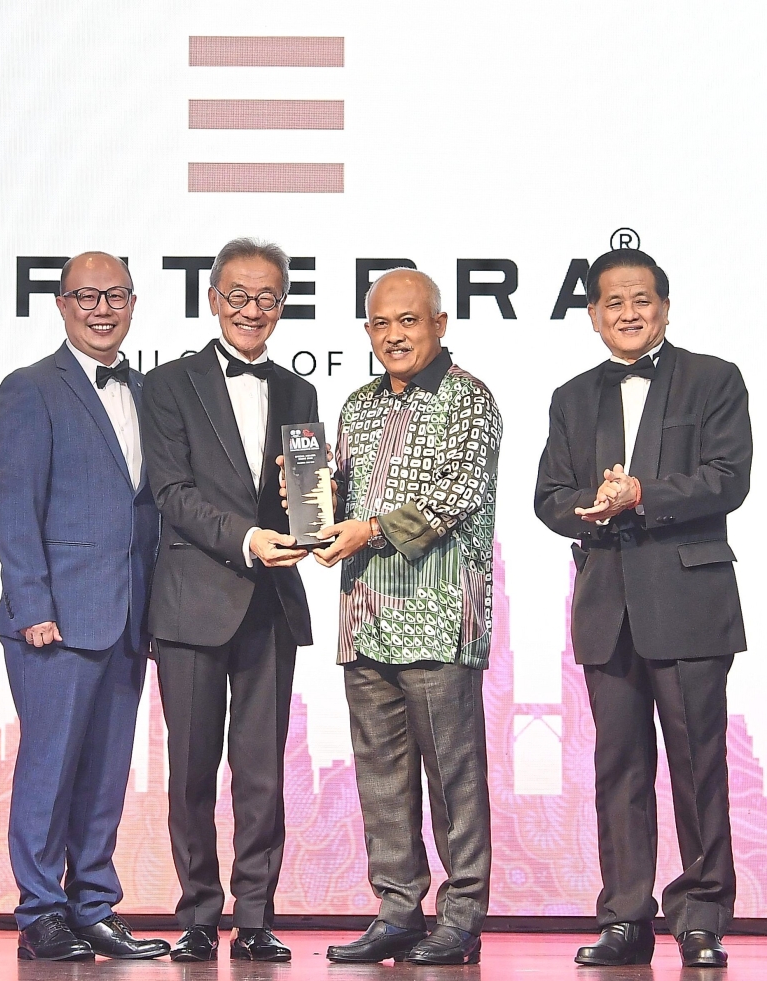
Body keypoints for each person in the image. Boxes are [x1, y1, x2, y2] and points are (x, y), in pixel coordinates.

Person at [535, 249, 751, 969]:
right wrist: (590, 509)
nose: (627, 312)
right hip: (607, 605)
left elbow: (727, 479)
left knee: (698, 764)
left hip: (690, 600)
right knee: (618, 767)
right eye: (612, 302)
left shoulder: (715, 379)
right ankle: (625, 915)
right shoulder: (570, 396)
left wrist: (642, 493)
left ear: (664, 305)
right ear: (593, 315)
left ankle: (701, 915)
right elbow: (549, 496)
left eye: (641, 299)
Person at [312, 268, 500, 966]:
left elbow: (456, 497)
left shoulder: (469, 401)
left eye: (409, 321)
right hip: (366, 619)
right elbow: (340, 495)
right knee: (382, 777)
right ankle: (397, 908)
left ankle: (461, 913)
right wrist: (311, 505)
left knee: (453, 779)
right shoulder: (357, 405)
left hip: (439, 619)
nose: (394, 334)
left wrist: (365, 529)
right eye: (381, 323)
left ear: (440, 324)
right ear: (367, 331)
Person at [140, 238, 317, 963]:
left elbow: (304, 491)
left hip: (270, 599)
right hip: (190, 600)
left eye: (268, 297)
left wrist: (308, 522)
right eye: (239, 295)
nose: (253, 310)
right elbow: (171, 493)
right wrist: (247, 537)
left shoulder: (299, 390)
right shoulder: (169, 385)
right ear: (213, 298)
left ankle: (254, 916)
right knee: (190, 769)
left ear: (282, 305)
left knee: (262, 770)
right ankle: (196, 915)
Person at [0, 252, 168, 961]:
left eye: (115, 295)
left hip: (128, 616)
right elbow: (13, 506)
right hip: (54, 620)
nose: (102, 308)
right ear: (61, 304)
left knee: (104, 774)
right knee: (49, 769)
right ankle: (40, 911)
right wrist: (33, 603)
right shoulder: (30, 388)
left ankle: (94, 905)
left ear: (132, 302)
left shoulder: (150, 392)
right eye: (86, 296)